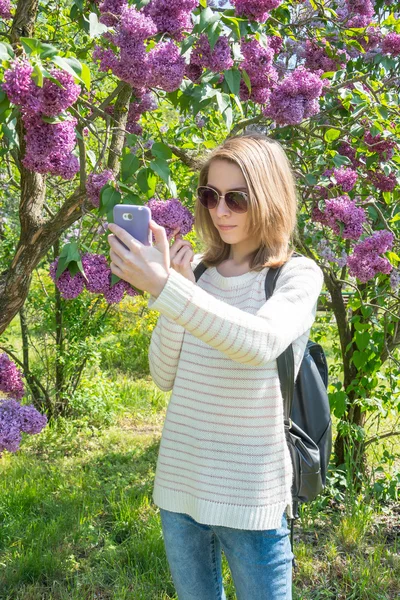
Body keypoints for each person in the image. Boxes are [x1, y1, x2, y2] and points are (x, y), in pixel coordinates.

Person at [107, 133, 324, 599]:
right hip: (180, 484)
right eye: (209, 195)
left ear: (269, 198)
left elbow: (259, 343)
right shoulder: (198, 273)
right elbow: (164, 375)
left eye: (236, 198)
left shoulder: (296, 275)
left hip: (250, 496)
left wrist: (170, 290)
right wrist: (176, 292)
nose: (219, 210)